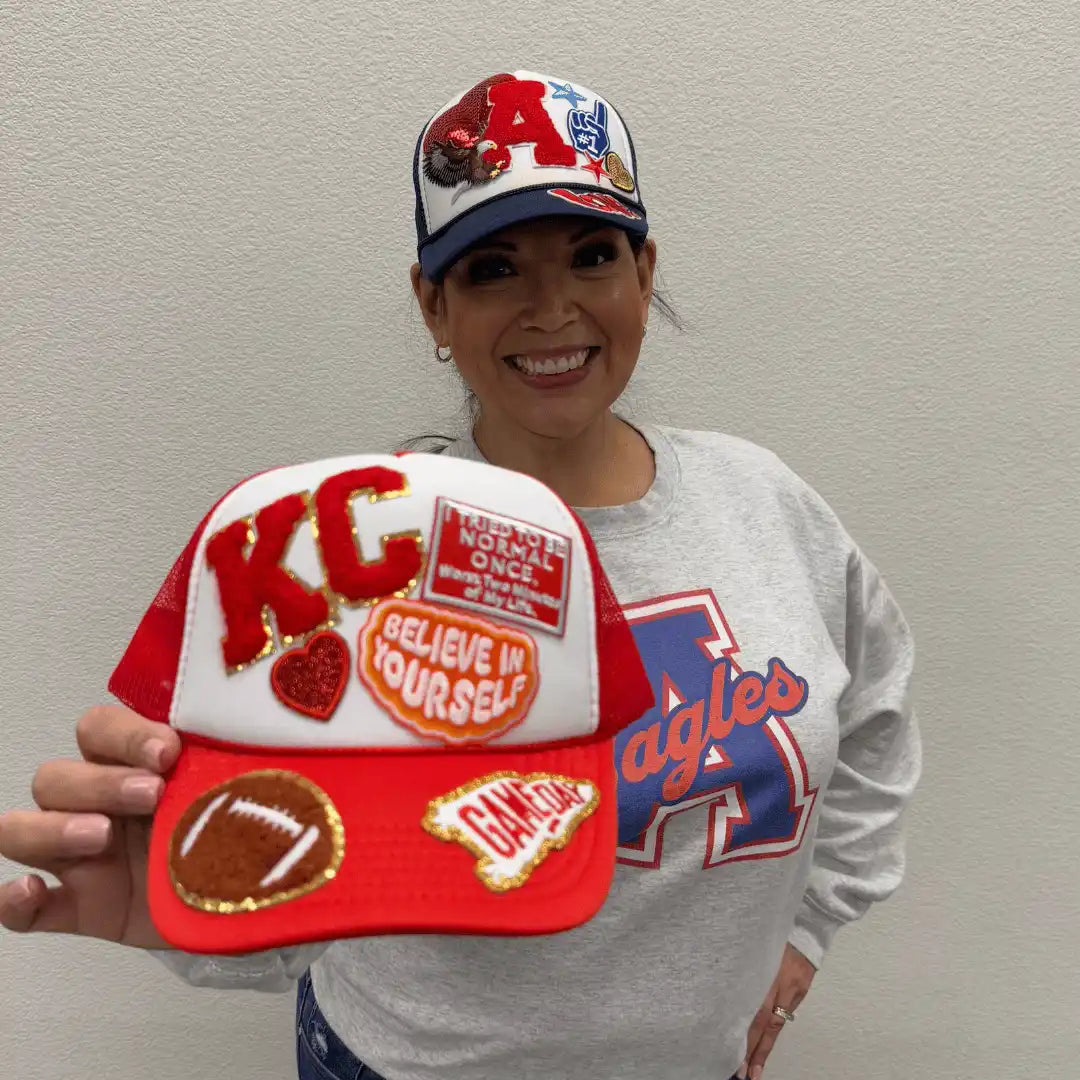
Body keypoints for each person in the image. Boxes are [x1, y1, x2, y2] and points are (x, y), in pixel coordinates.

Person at [0, 70, 921, 1080]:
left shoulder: (768, 504)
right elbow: (318, 869)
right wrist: (187, 897)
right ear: (433, 306)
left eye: (592, 255)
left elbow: (874, 712)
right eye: (493, 269)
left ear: (645, 275)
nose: (554, 306)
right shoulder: (346, 561)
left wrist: (812, 932)